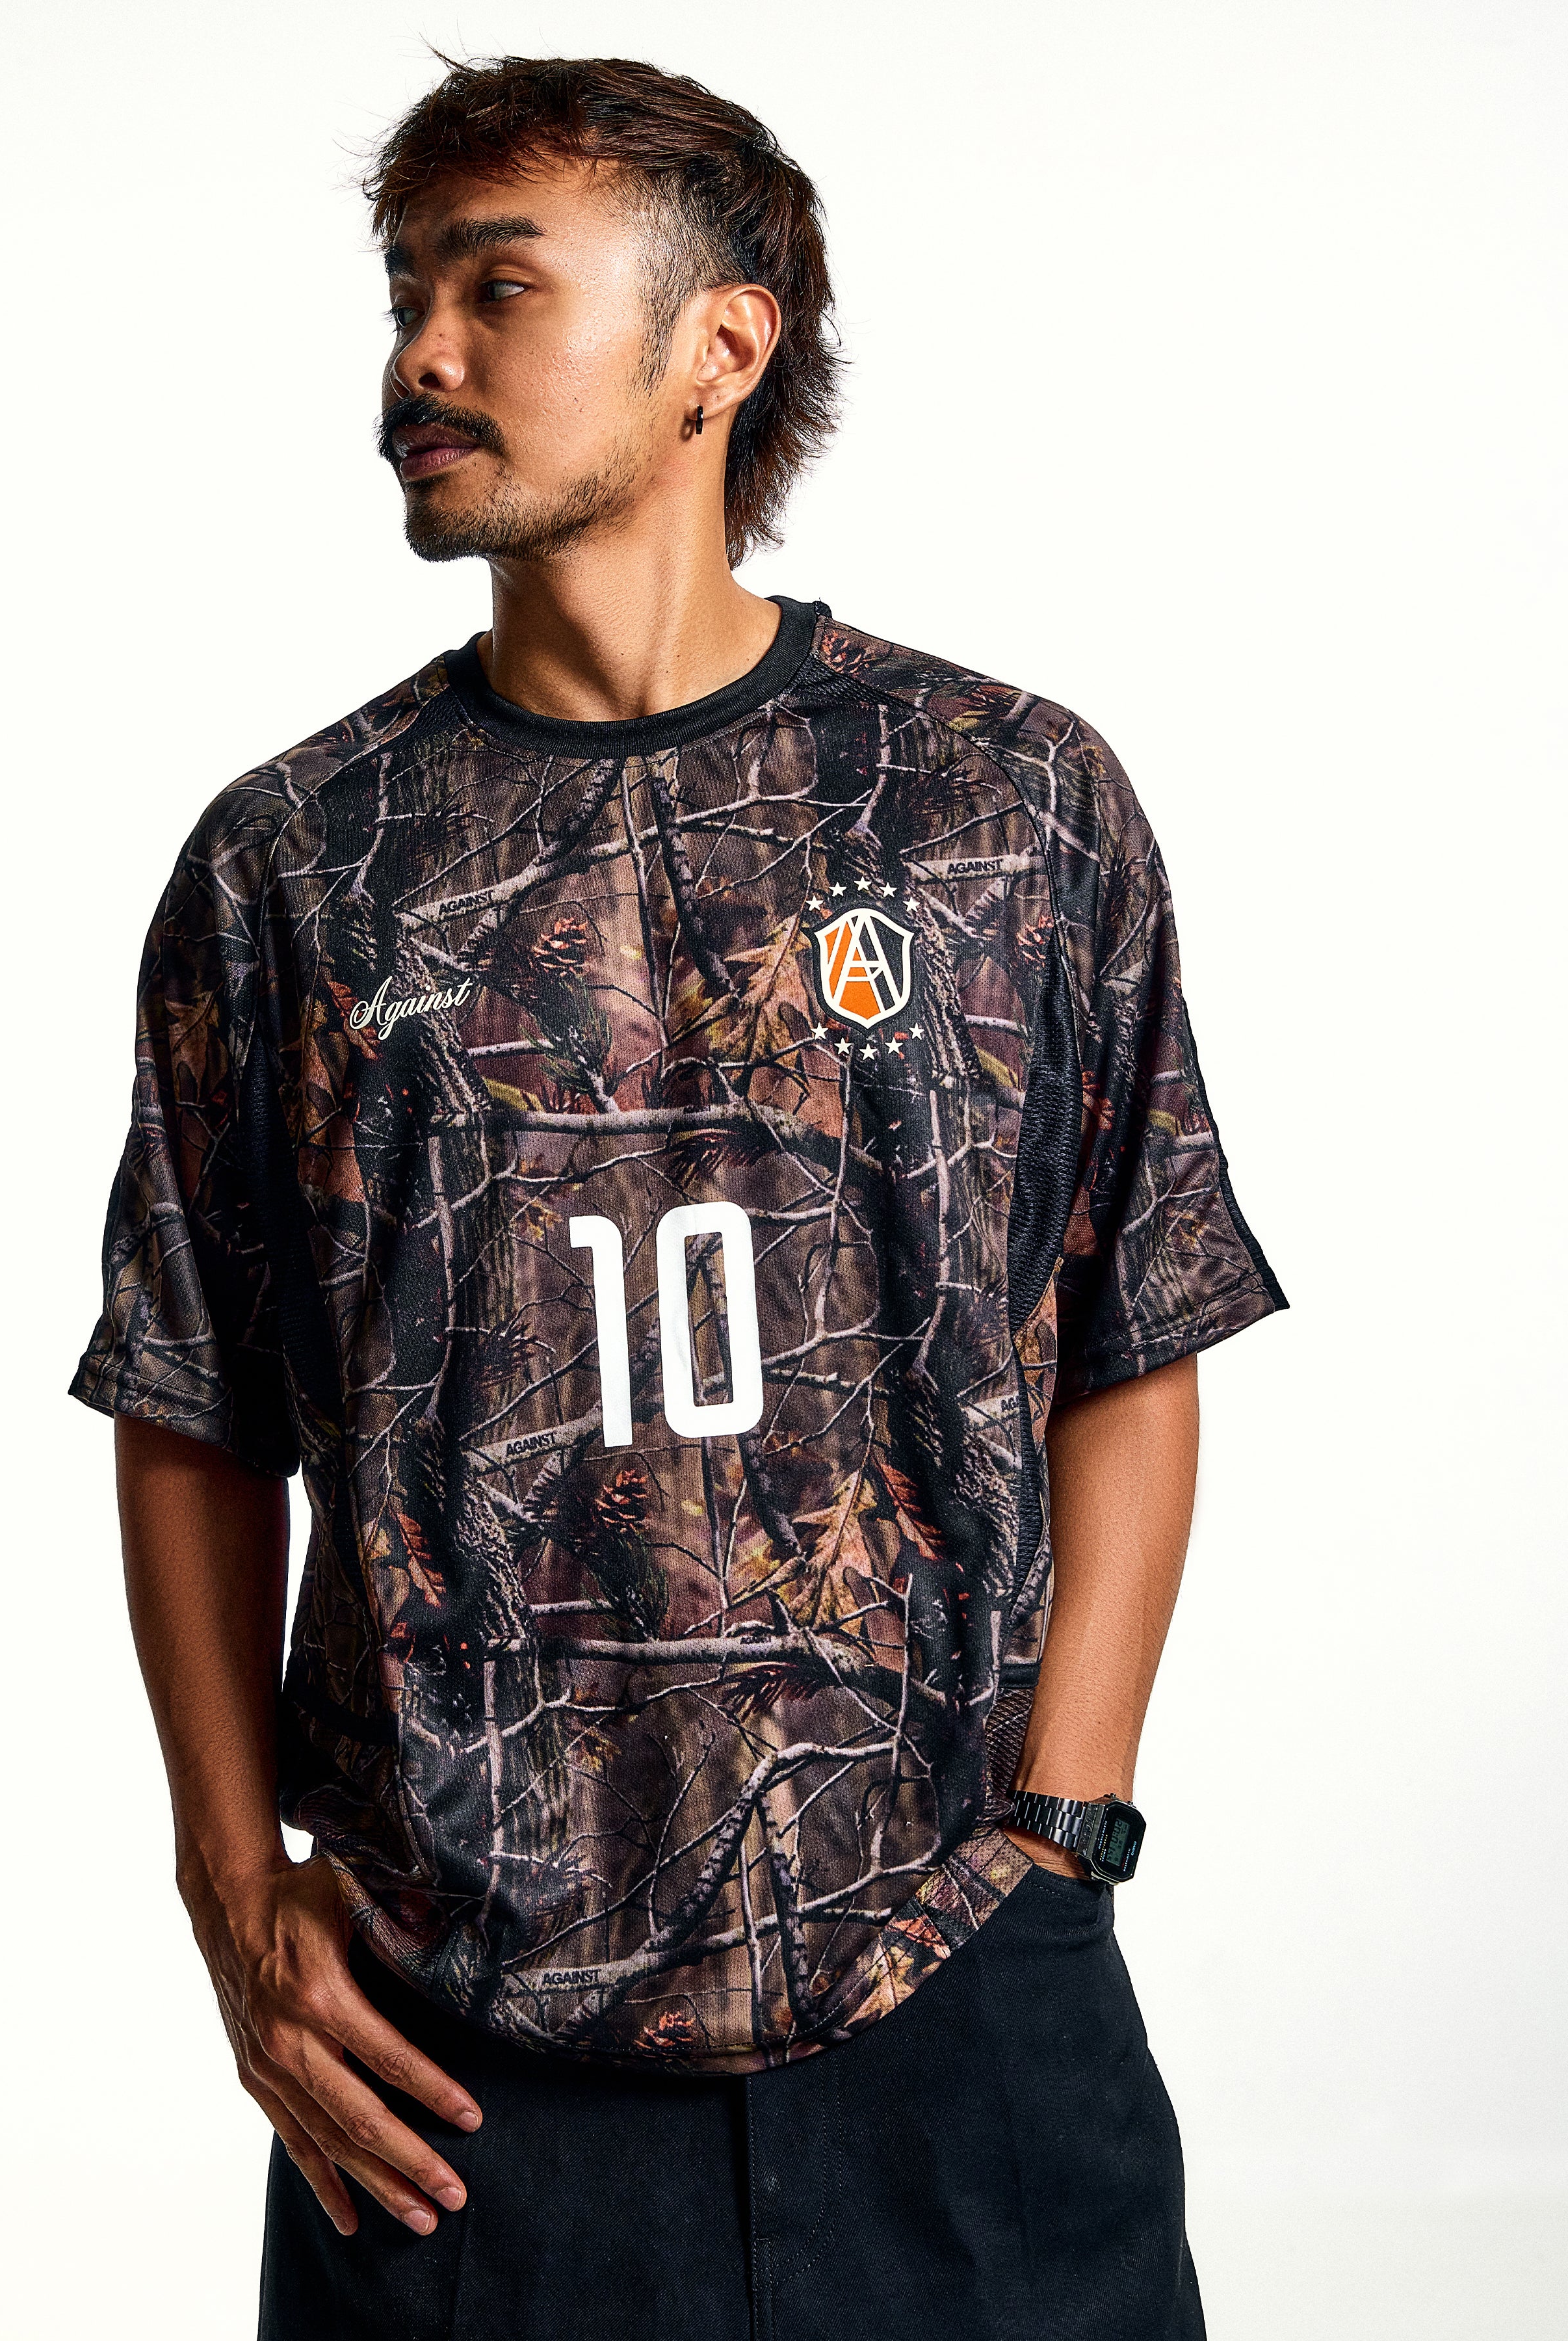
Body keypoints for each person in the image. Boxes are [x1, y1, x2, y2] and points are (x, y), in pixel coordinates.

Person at [69, 53, 1285, 2341]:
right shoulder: (298, 863)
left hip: (956, 1997)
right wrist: (235, 1889)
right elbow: (189, 1404)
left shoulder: (1001, 798)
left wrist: (1066, 1836)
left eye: (497, 288)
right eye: (406, 295)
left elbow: (1139, 1319)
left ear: (721, 343)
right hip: (454, 2073)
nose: (422, 356)